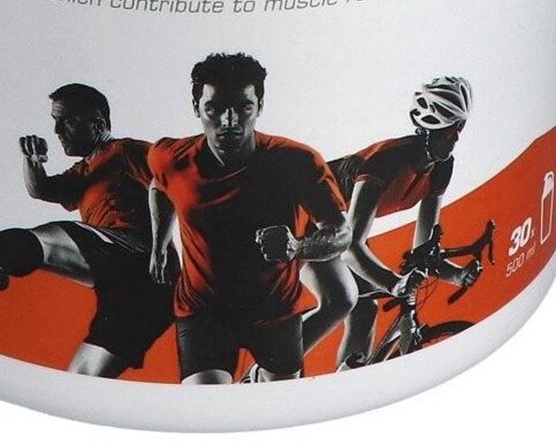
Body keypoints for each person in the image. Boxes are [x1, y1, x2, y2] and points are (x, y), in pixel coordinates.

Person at [0, 82, 175, 378]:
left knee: (52, 237)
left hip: (139, 256)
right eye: (56, 121)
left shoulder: (126, 151)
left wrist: (161, 248)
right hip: (133, 295)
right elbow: (41, 189)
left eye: (67, 121)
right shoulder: (83, 172)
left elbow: (171, 183)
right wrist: (32, 161)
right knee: (81, 377)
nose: (58, 130)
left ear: (98, 123)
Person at [147, 51, 350, 384]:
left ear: (260, 106)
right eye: (214, 109)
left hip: (275, 312)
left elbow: (341, 232)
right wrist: (159, 245)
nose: (229, 121)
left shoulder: (296, 161)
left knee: (280, 405)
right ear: (196, 107)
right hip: (204, 312)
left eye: (243, 108)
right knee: (206, 407)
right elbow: (158, 185)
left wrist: (297, 248)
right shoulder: (169, 157)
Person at [302, 75, 477, 368]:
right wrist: (394, 284)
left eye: (459, 128)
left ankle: (351, 380)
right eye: (448, 131)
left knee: (365, 309)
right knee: (340, 299)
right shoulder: (386, 161)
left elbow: (423, 250)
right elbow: (350, 246)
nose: (455, 139)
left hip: (341, 228)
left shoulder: (442, 167)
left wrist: (457, 276)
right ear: (428, 129)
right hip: (306, 219)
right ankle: (270, 368)